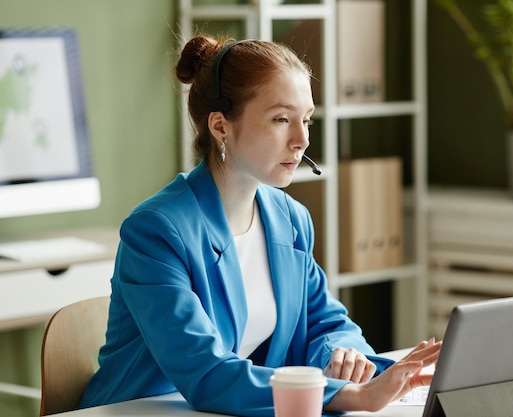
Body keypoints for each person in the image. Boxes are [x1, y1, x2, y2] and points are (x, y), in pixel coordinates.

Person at [80, 35, 440, 416]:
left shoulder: (290, 218)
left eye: (306, 120)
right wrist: (348, 396)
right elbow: (207, 373)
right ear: (220, 126)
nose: (301, 140)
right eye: (281, 119)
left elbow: (324, 320)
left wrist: (344, 355)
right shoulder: (156, 232)